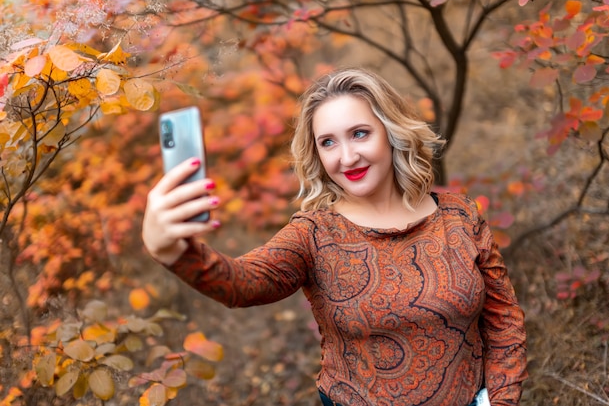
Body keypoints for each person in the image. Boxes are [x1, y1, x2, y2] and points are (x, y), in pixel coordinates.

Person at [142, 68, 528, 406]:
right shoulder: (314, 233)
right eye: (328, 142)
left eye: (359, 134)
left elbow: (503, 320)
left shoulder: (459, 215)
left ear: (391, 131)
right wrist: (174, 251)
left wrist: (501, 399)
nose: (346, 158)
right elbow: (241, 284)